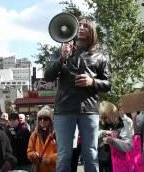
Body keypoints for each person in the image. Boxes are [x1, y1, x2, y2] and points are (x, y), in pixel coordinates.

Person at [44, 16, 111, 172]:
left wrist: (92, 82)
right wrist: (61, 58)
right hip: (64, 110)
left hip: (89, 111)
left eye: (85, 26)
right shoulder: (62, 51)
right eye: (78, 25)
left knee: (90, 153)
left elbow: (108, 84)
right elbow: (48, 76)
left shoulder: (100, 57)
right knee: (64, 155)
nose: (80, 28)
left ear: (92, 31)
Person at [98, 101, 133, 172]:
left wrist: (114, 141)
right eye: (103, 117)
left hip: (118, 162)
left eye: (106, 117)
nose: (105, 120)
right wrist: (102, 133)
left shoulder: (124, 122)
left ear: (113, 113)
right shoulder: (99, 122)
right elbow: (91, 140)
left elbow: (129, 146)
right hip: (100, 160)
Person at [27, 106, 57, 172]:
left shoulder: (56, 134)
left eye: (45, 118)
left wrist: (49, 159)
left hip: (53, 169)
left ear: (50, 120)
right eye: (40, 118)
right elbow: (29, 151)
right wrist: (34, 156)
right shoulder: (34, 134)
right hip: (39, 169)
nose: (42, 121)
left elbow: (62, 153)